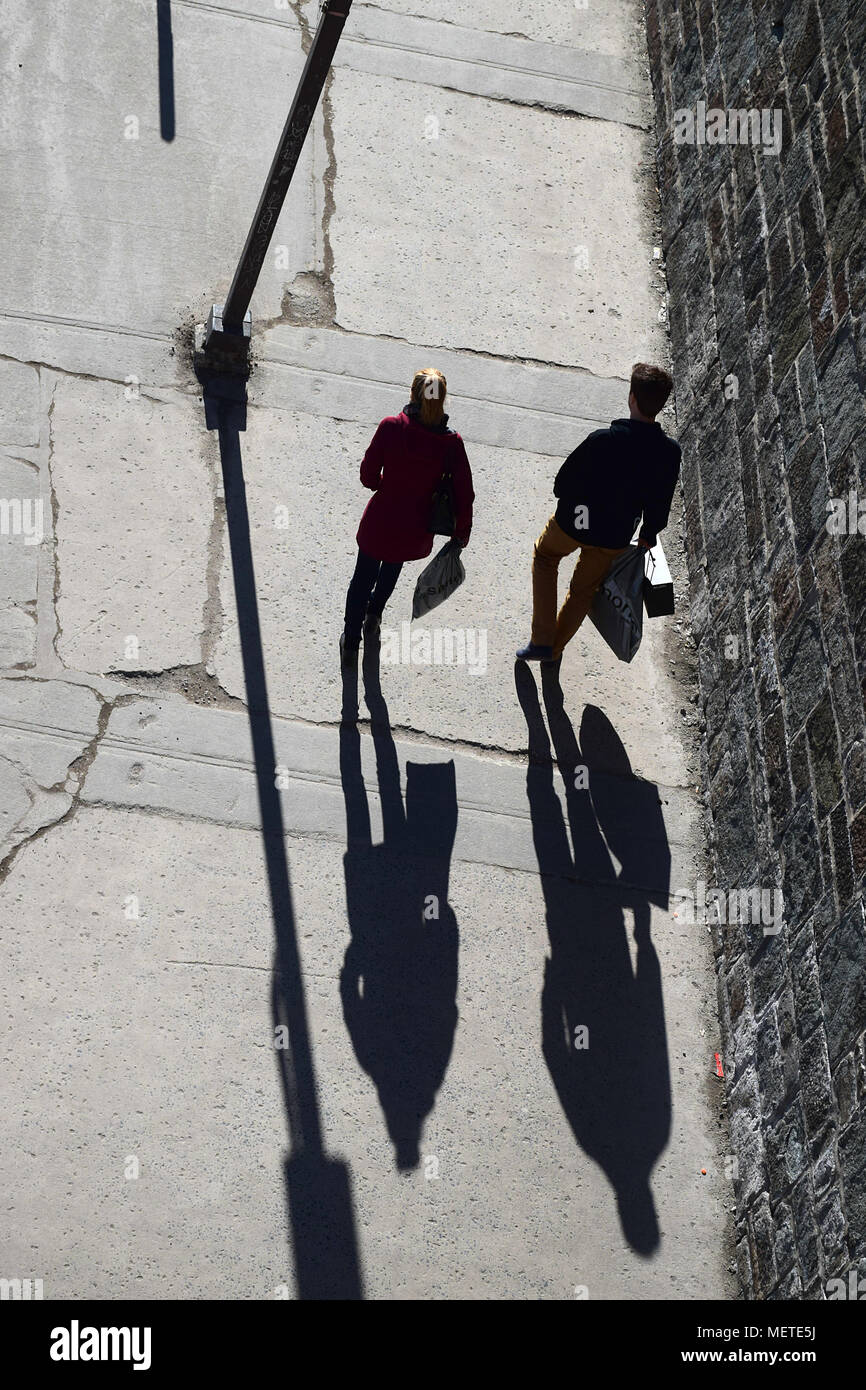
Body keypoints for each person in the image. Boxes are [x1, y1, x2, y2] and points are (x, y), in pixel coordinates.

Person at [517, 362, 681, 664]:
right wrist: (648, 533)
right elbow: (660, 502)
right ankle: (553, 651)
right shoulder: (668, 453)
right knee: (583, 590)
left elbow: (564, 481)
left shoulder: (602, 440)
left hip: (573, 523)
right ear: (659, 406)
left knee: (546, 557)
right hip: (614, 536)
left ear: (631, 398)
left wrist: (568, 500)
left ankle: (541, 640)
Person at [341, 368, 474, 666]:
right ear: (443, 401)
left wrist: (382, 486)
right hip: (415, 527)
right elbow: (465, 494)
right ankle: (374, 616)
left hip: (381, 520)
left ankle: (350, 642)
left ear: (413, 395)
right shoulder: (451, 445)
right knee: (392, 567)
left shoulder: (391, 428)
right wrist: (462, 532)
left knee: (362, 577)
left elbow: (367, 475)